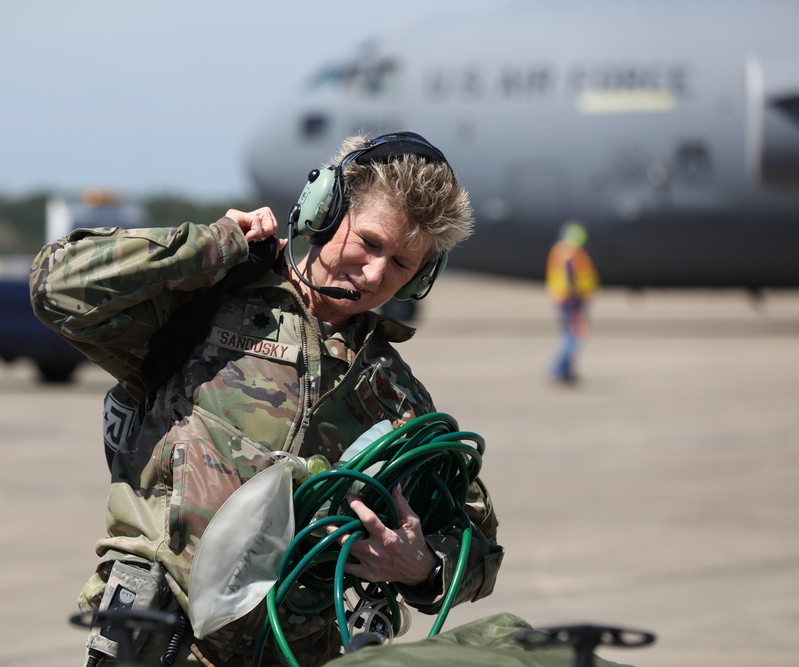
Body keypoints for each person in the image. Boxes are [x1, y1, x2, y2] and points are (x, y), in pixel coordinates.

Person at [30, 132, 504, 666]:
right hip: (157, 644)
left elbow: (477, 544)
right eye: (370, 242)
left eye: (401, 264)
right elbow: (57, 287)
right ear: (324, 210)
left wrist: (422, 568)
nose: (375, 274)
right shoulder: (205, 308)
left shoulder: (397, 401)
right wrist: (215, 243)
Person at [545, 221, 599, 384]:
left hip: (564, 297)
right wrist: (576, 296)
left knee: (570, 333)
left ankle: (566, 371)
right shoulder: (571, 251)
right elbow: (571, 276)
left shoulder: (561, 249)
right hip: (571, 299)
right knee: (574, 334)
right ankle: (559, 369)